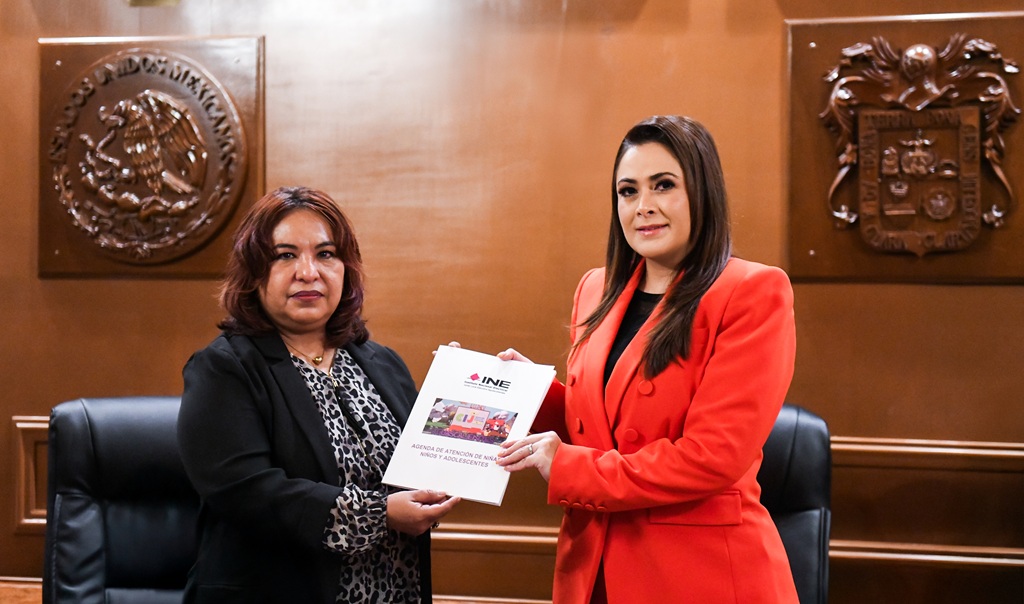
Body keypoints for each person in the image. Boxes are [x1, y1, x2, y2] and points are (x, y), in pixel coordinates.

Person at [494, 116, 799, 603]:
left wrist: (569, 468)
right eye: (628, 191)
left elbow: (711, 457)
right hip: (593, 569)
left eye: (664, 186)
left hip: (701, 577)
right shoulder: (596, 288)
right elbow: (598, 425)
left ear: (702, 192)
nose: (644, 207)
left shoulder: (752, 291)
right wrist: (524, 392)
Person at [178, 186, 459, 604]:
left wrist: (456, 397)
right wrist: (380, 516)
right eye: (285, 255)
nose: (308, 272)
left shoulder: (381, 363)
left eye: (325, 254)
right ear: (254, 274)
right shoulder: (224, 369)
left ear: (346, 268)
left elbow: (421, 467)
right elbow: (249, 493)